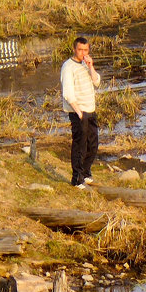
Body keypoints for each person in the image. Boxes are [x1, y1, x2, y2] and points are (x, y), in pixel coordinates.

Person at [60, 36, 101, 187]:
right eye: (80, 50)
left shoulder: (85, 64)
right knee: (80, 146)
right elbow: (68, 93)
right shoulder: (68, 67)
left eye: (86, 49)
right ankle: (77, 179)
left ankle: (86, 172)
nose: (83, 52)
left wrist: (91, 66)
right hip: (78, 112)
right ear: (74, 49)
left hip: (91, 109)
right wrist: (79, 113)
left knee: (93, 144)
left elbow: (97, 82)